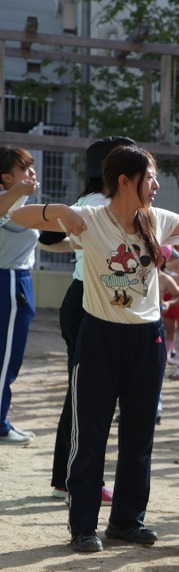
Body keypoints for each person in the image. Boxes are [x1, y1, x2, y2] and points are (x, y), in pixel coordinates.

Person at [10, 145, 179, 552]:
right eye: (150, 177)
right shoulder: (91, 218)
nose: (156, 185)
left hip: (146, 340)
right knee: (91, 432)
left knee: (139, 434)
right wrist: (62, 211)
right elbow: (16, 216)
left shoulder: (156, 220)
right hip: (100, 336)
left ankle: (128, 520)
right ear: (124, 180)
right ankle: (83, 526)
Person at [47, 137, 134, 490]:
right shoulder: (104, 204)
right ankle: (81, 480)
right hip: (93, 303)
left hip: (79, 297)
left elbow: (48, 241)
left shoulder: (86, 201)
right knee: (94, 400)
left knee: (80, 395)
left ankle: (65, 478)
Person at [0, 146, 43, 445]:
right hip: (10, 282)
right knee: (6, 360)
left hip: (16, 281)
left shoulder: (20, 201)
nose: (32, 173)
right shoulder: (7, 201)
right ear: (6, 177)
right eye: (24, 168)